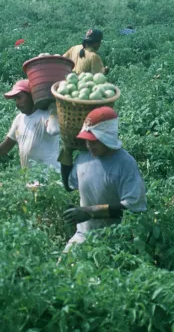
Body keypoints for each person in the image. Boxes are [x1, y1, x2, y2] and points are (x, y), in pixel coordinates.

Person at [61, 106, 147, 251]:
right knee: (62, 270)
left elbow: (133, 208)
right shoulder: (84, 157)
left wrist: (89, 211)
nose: (89, 145)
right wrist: (66, 151)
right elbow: (69, 185)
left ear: (107, 138)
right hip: (84, 235)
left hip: (116, 239)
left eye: (94, 141)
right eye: (87, 141)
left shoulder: (125, 163)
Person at [0, 80, 61, 171]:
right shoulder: (19, 118)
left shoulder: (45, 116)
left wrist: (53, 111)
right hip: (30, 178)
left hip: (50, 177)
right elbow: (9, 143)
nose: (17, 103)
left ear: (32, 96)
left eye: (19, 97)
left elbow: (54, 130)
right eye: (15, 99)